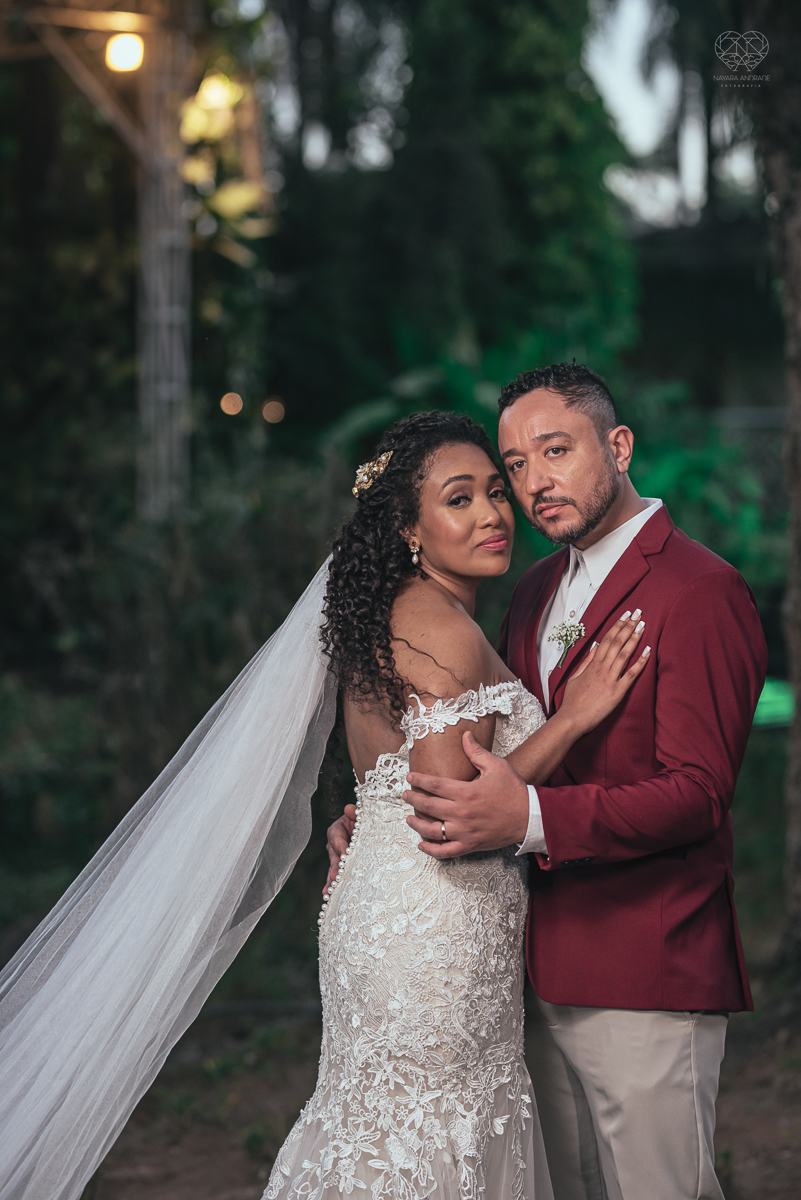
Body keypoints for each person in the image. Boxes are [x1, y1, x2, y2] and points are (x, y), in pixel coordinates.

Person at [327, 364, 766, 1200]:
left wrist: (525, 817)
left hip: (641, 965)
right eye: (516, 465)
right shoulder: (529, 590)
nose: (532, 483)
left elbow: (697, 794)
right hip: (516, 969)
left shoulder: (699, 590)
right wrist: (377, 814)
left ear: (618, 446)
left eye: (555, 451)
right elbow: (468, 743)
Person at [267, 410, 651, 1200]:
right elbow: (453, 813)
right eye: (458, 499)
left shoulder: (403, 611)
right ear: (409, 528)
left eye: (493, 492)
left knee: (391, 1132)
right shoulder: (437, 626)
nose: (490, 514)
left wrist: (363, 817)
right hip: (432, 926)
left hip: (400, 906)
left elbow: (396, 781)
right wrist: (574, 717)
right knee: (433, 1135)